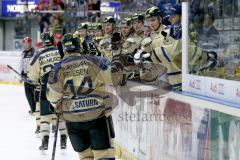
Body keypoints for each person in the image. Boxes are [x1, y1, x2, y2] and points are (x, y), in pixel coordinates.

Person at [46, 33, 125, 160]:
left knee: (85, 156)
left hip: (73, 119)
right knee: (104, 154)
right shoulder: (94, 61)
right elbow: (115, 78)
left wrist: (56, 106)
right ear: (79, 46)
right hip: (96, 115)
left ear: (64, 49)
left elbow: (53, 96)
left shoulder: (58, 68)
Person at [28, 32, 67, 150]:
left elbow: (32, 72)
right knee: (60, 112)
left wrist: (35, 80)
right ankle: (64, 139)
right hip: (59, 83)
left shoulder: (39, 53)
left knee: (44, 114)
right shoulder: (59, 51)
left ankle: (45, 140)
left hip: (45, 84)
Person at [20, 37, 36, 114]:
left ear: (30, 43)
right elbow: (22, 64)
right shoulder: (23, 53)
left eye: (27, 43)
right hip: (26, 78)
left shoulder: (34, 52)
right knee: (28, 94)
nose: (26, 44)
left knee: (34, 94)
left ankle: (37, 109)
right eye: (25, 43)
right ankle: (33, 109)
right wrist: (22, 73)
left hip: (33, 77)